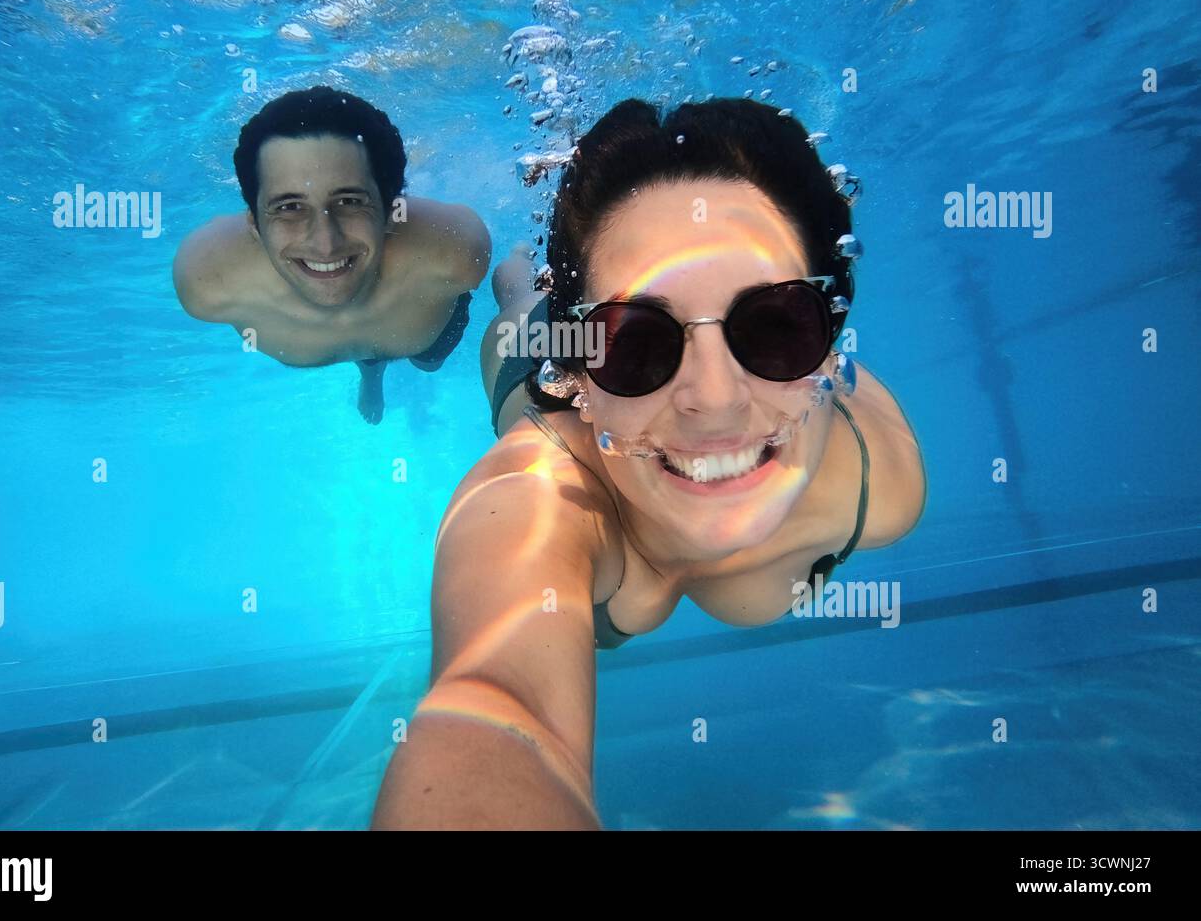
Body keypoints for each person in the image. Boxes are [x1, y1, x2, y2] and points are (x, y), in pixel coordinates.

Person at [372, 97, 926, 829]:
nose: (716, 400)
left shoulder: (882, 479)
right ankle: (523, 292)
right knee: (518, 327)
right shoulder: (538, 495)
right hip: (538, 364)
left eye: (775, 327)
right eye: (634, 343)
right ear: (582, 376)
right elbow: (493, 708)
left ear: (830, 335)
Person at [173, 87, 490, 423]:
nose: (325, 243)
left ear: (390, 210)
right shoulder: (208, 283)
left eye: (350, 202)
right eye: (290, 207)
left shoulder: (455, 256)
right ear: (254, 223)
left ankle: (372, 369)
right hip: (407, 326)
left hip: (420, 334)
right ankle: (372, 374)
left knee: (430, 363)